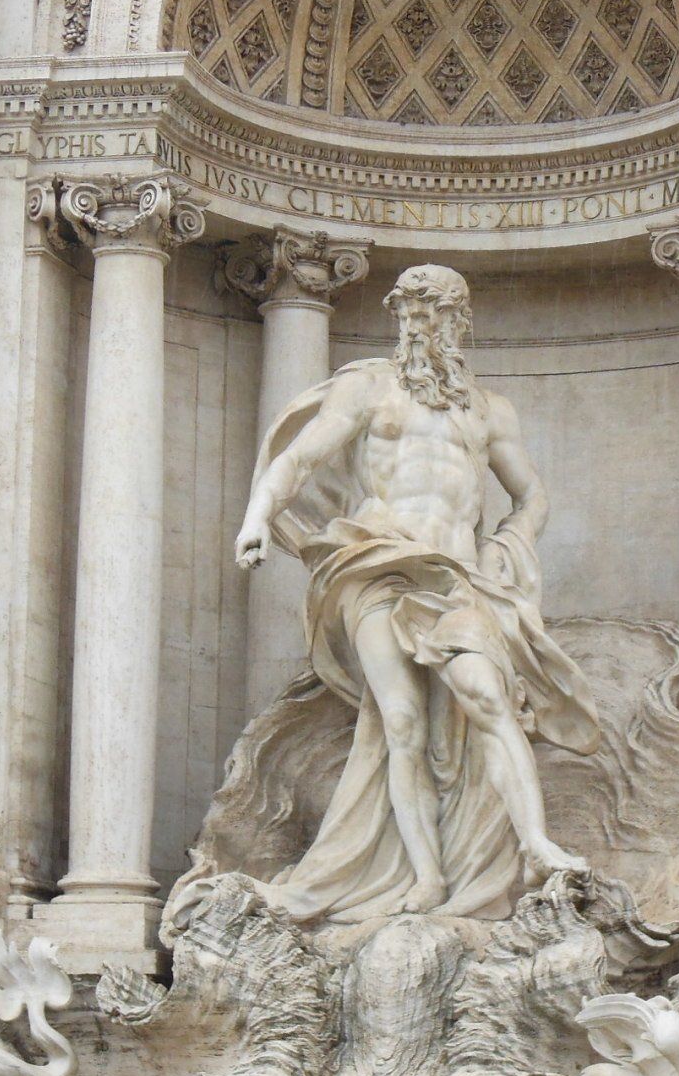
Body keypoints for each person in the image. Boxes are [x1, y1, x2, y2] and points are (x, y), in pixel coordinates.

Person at [233, 264, 600, 923]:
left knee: (487, 697)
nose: (422, 326)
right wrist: (257, 517)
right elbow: (301, 460)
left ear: (460, 324)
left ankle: (536, 844)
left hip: (455, 575)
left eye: (436, 315)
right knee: (400, 720)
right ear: (397, 318)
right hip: (374, 564)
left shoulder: (489, 410)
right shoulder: (368, 388)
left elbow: (531, 494)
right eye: (412, 314)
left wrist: (506, 542)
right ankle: (427, 877)